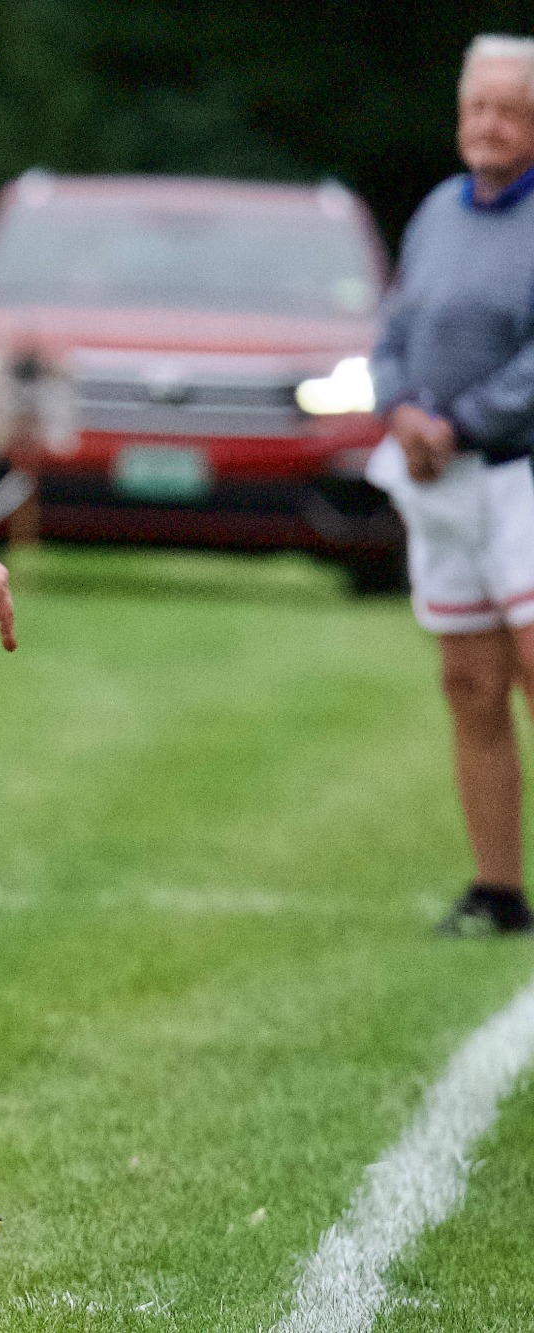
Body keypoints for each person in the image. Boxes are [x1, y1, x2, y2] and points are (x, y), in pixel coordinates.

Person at [369, 35, 534, 936]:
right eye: (479, 107)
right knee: (470, 682)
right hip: (440, 481)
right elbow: (394, 325)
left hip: (519, 472)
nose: (491, 125)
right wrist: (400, 408)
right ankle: (498, 890)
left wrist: (464, 421)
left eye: (510, 109)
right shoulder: (437, 209)